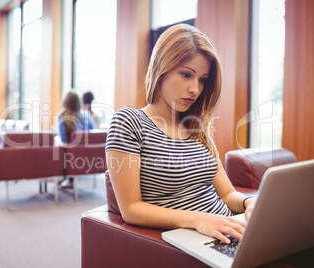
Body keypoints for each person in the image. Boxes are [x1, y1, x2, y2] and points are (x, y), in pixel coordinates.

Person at [105, 24, 256, 244]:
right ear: (161, 68)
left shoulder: (196, 127)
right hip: (195, 239)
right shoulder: (129, 122)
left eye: (202, 79)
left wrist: (249, 203)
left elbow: (226, 195)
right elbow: (131, 209)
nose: (195, 89)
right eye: (186, 75)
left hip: (227, 231)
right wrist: (198, 220)